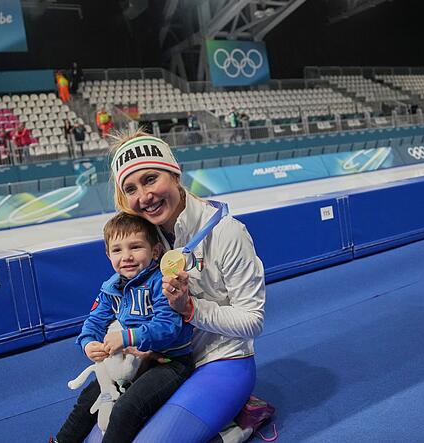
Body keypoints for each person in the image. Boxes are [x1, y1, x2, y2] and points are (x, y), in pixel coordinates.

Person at [108, 129, 266, 442]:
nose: (144, 196)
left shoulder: (227, 233)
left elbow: (253, 321)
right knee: (103, 434)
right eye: (131, 188)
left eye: (151, 179)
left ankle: (238, 423)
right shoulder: (142, 240)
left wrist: (190, 308)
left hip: (222, 361)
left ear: (175, 174)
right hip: (168, 361)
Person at [55, 213, 194, 443]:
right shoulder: (110, 288)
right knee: (88, 398)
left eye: (136, 247)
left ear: (156, 251)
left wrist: (127, 337)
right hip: (130, 365)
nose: (127, 257)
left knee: (127, 407)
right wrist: (88, 342)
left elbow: (168, 326)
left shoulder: (162, 282)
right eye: (117, 250)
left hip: (169, 362)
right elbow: (94, 321)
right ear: (108, 255)